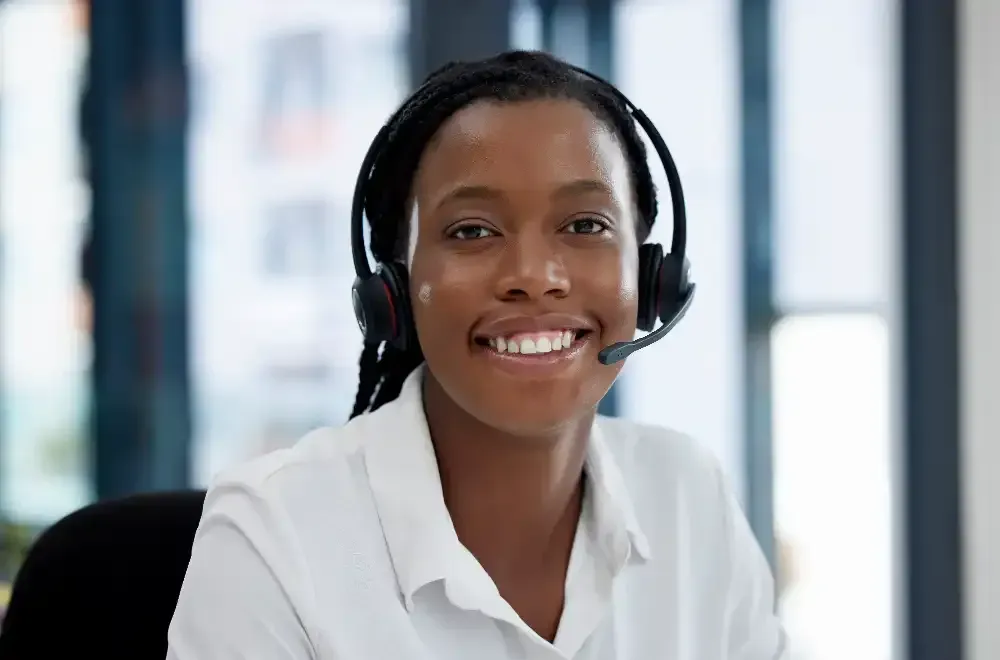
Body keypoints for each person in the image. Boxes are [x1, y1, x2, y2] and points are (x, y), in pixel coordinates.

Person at [166, 51, 788, 659]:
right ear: (395, 290)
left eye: (585, 225)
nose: (535, 276)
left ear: (651, 274)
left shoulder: (687, 497)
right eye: (472, 231)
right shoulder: (274, 537)